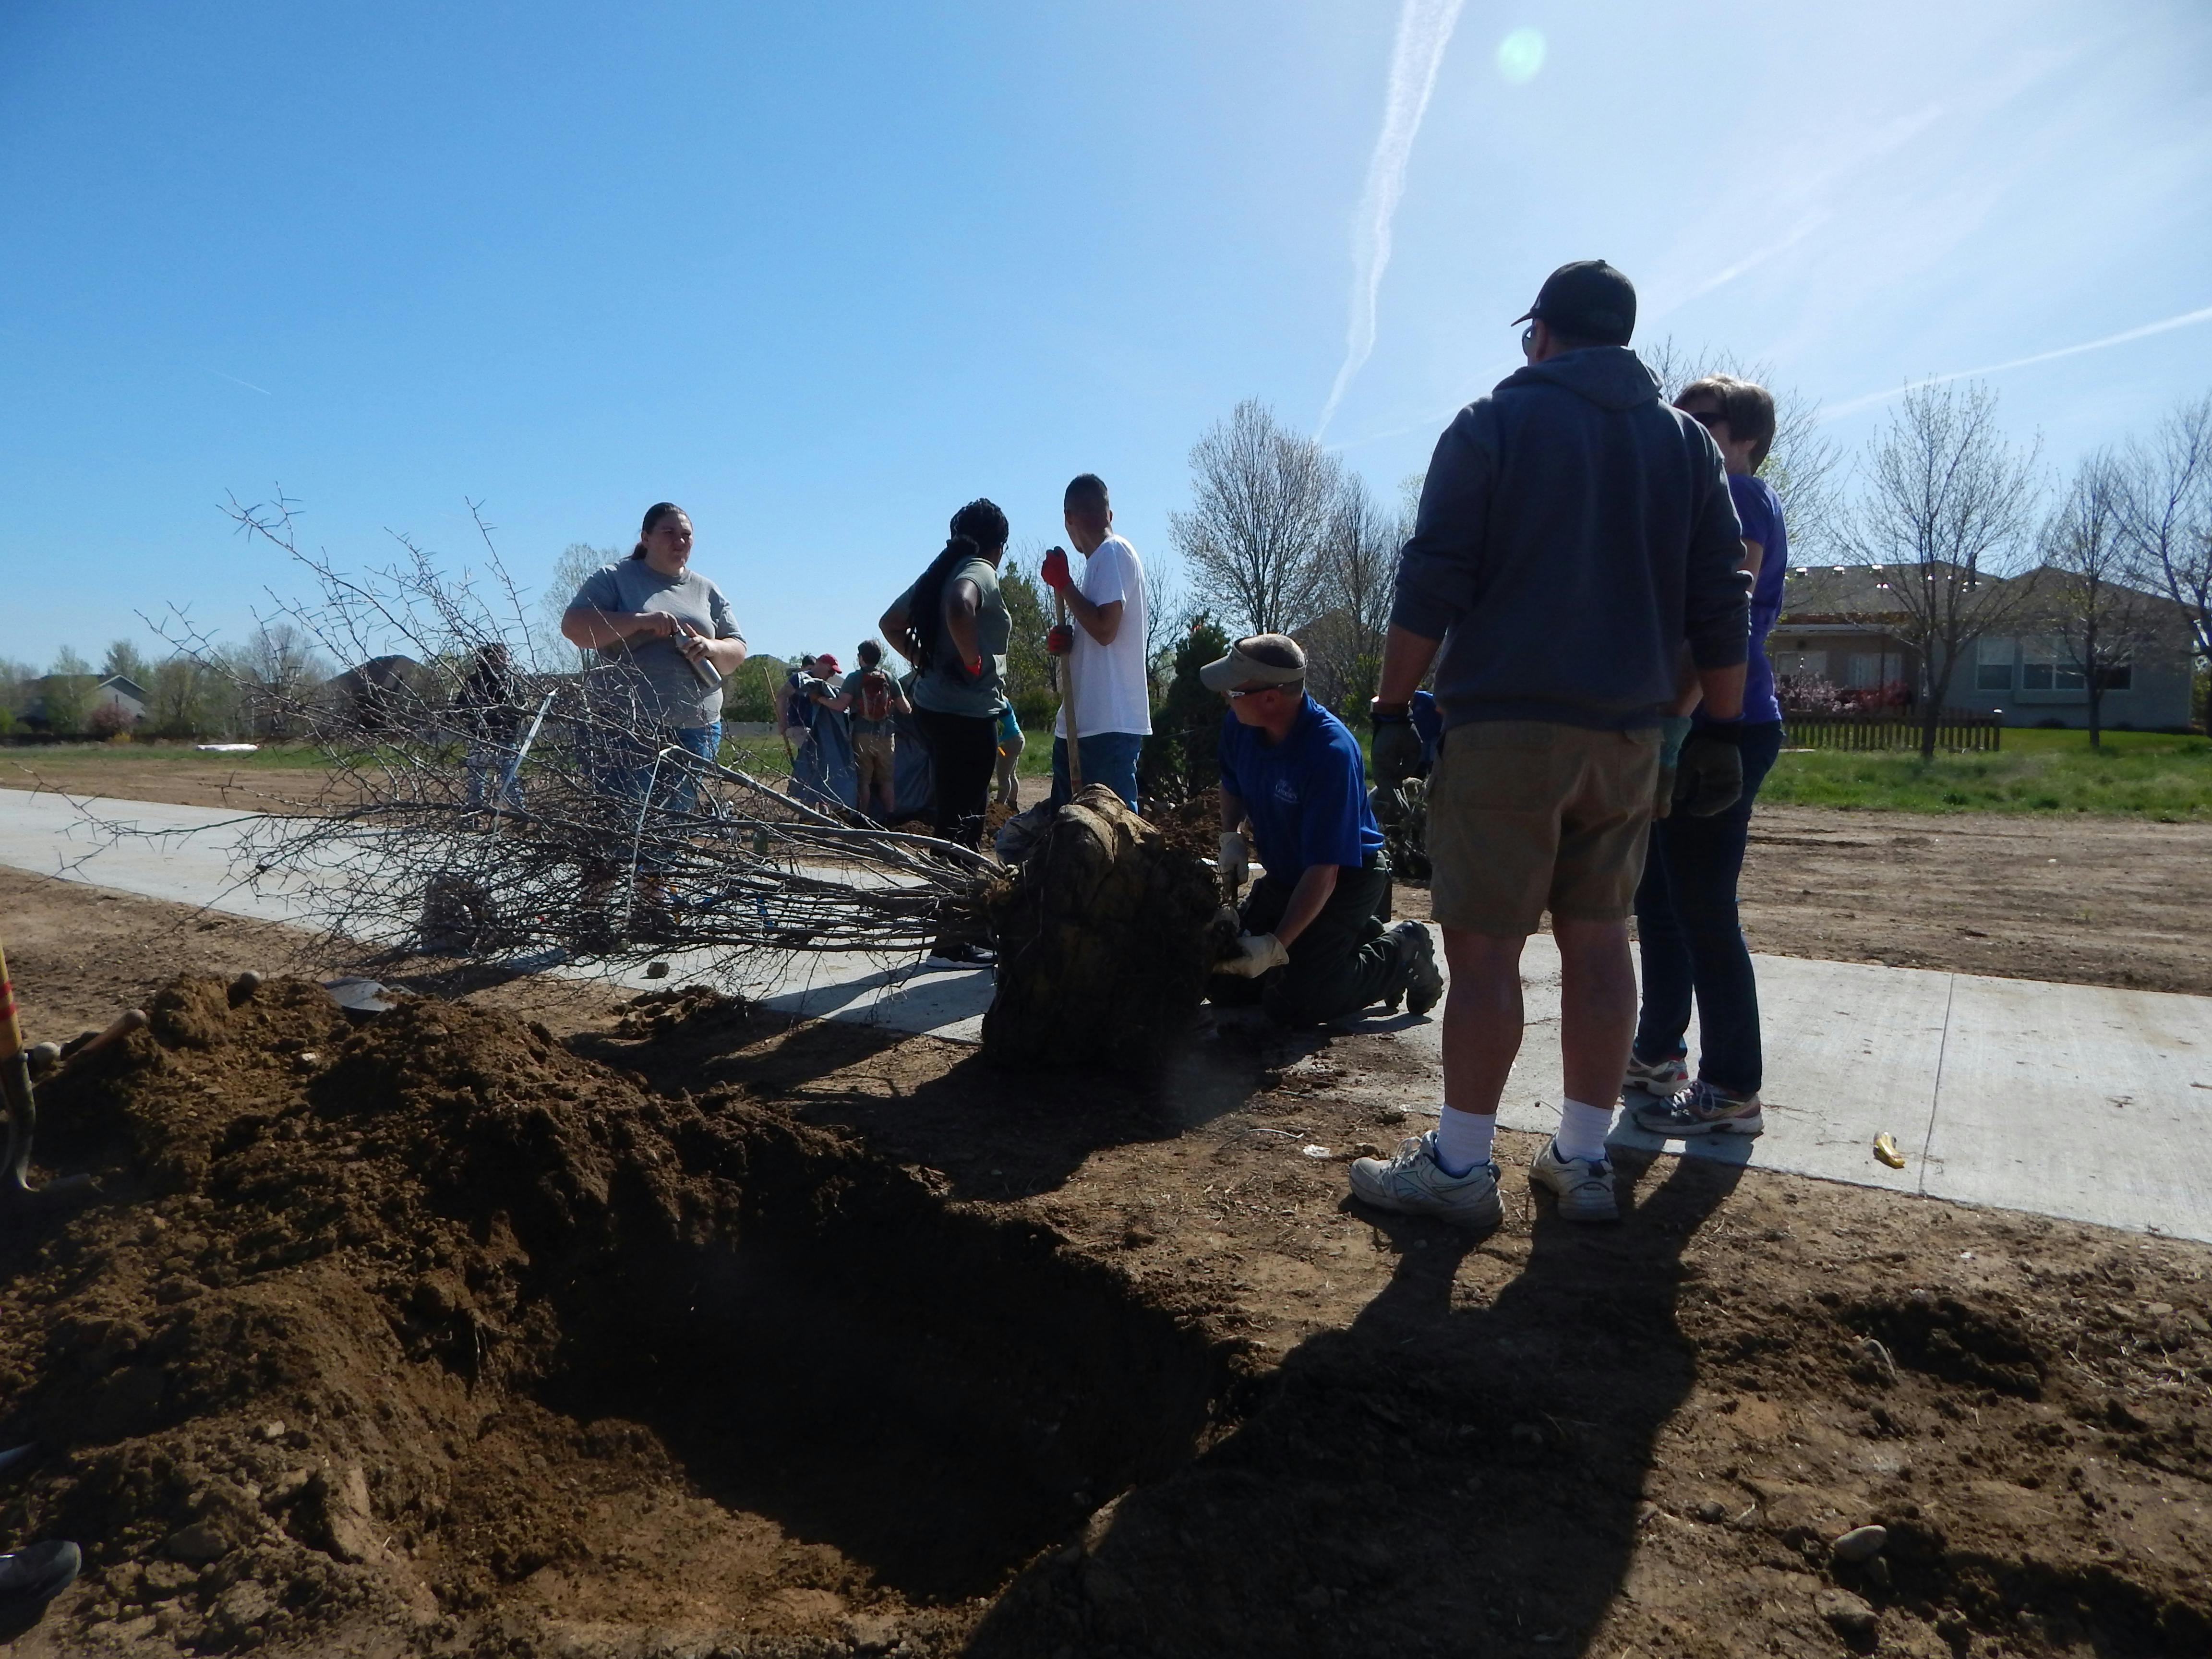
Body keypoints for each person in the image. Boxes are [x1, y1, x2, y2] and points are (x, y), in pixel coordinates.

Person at [1350, 259, 1751, 1229]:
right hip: (1626, 739)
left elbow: (1433, 578)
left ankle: (1459, 1168)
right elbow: (1721, 594)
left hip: (1506, 725)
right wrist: (1718, 729)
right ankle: (1581, 1160)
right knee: (1601, 941)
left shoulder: (1493, 424)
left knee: (1486, 954)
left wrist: (1393, 707)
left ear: (1541, 333)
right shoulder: (1688, 449)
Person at [1626, 375, 1789, 1139]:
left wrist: (1678, 726)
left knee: (1703, 910)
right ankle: (1659, 1054)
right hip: (1686, 724)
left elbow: (1724, 620)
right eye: (1678, 420)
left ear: (1746, 436)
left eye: (1705, 421)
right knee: (1660, 902)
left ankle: (1732, 1089)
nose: (1686, 432)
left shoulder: (1741, 496)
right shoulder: (1696, 501)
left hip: (1725, 724)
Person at [1205, 634, 1442, 1028]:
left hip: (1346, 878)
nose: (1224, 699)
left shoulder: (1329, 753)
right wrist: (1231, 837)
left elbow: (1325, 872)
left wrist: (1275, 945)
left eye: (1233, 690)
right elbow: (1232, 783)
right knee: (1226, 981)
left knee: (1296, 1002)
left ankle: (1402, 952)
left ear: (1270, 698)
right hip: (1287, 875)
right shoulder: (1241, 725)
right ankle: (1348, 940)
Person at [561, 502, 749, 927]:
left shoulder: (706, 589)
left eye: (686, 535)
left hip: (695, 725)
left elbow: (737, 648)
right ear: (646, 538)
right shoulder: (615, 579)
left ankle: (651, 908)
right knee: (619, 816)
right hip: (626, 723)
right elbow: (574, 627)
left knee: (671, 821)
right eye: (669, 533)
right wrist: (640, 622)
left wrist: (712, 647)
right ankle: (591, 912)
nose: (680, 542)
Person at [879, 499, 1012, 852]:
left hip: (933, 709)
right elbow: (960, 605)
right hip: (967, 714)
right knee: (967, 821)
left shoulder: (940, 573)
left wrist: (925, 661)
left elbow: (890, 624)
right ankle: (958, 894)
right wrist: (973, 662)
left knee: (950, 814)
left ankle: (944, 891)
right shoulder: (979, 569)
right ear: (998, 546)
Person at [1041, 474, 1150, 809]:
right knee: (1070, 836)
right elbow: (1098, 634)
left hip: (1109, 726)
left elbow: (1106, 630)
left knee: (1112, 830)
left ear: (1068, 518)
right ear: (1109, 514)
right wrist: (1070, 644)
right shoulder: (1099, 563)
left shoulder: (1113, 552)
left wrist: (1064, 586)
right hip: (1083, 724)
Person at [829, 640, 911, 822]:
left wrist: (819, 698)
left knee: (863, 779)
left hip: (862, 735)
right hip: (887, 736)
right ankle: (890, 817)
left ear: (861, 658)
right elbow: (905, 708)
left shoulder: (854, 678)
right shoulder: (889, 677)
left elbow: (841, 705)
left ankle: (862, 817)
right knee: (887, 780)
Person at [456, 643, 524, 813]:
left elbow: (459, 710)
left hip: (481, 738)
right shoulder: (508, 681)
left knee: (477, 779)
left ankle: (473, 814)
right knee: (509, 778)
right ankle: (519, 812)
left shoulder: (474, 681)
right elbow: (521, 705)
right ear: (492, 658)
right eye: (502, 656)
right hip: (503, 738)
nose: (506, 660)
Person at [993, 700, 1025, 807]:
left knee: (1003, 776)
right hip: (1017, 738)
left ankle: (999, 808)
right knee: (1011, 774)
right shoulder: (1003, 699)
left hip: (1009, 742)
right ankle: (1012, 805)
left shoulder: (996, 701)